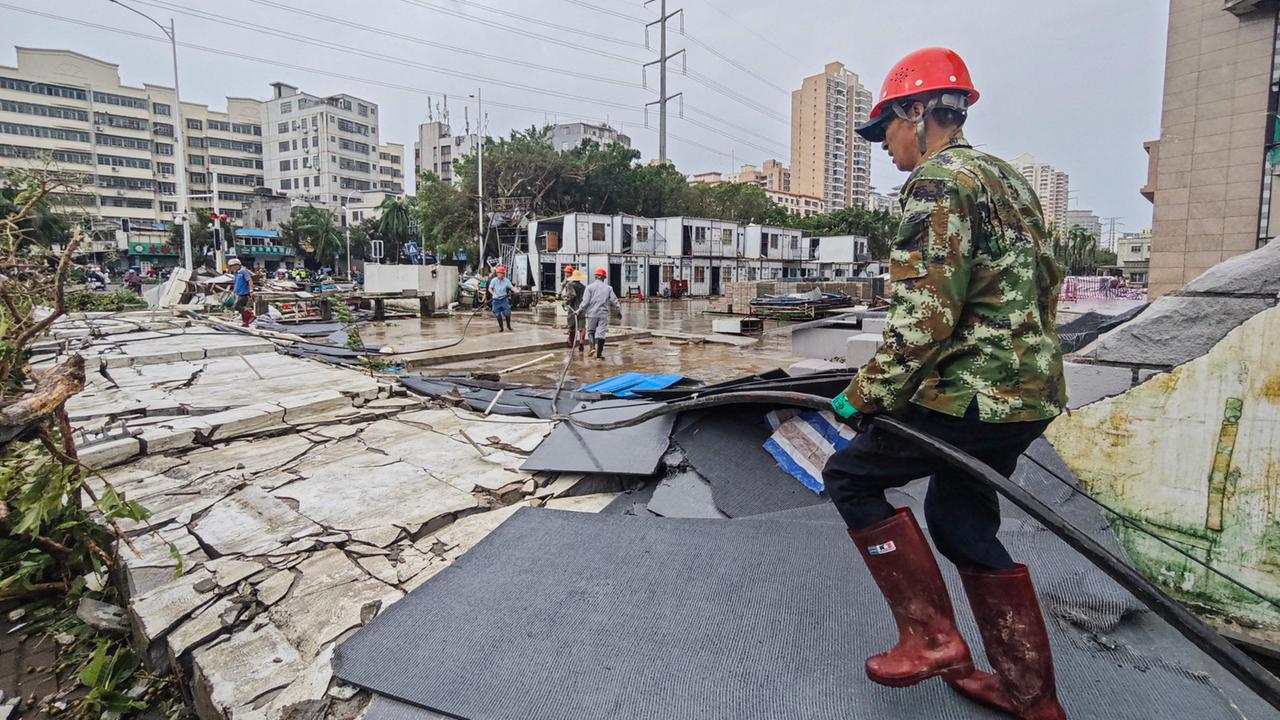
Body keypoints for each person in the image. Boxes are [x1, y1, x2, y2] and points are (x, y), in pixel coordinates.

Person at [820, 48, 1068, 720]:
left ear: (916, 112)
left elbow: (923, 321)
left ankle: (929, 637)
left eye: (889, 132)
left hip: (970, 395)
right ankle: (1030, 695)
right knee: (959, 522)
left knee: (849, 477)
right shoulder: (1008, 181)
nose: (888, 149)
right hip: (1027, 393)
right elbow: (1043, 289)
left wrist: (862, 398)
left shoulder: (936, 183)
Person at [578, 268, 622, 360]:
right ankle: (599, 355)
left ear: (595, 277)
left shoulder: (589, 287)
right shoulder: (609, 288)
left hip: (592, 313)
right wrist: (618, 310)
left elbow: (585, 302)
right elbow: (615, 300)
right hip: (603, 314)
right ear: (604, 278)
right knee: (601, 334)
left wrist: (578, 311)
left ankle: (592, 347)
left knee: (591, 331)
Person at [558, 265, 587, 354]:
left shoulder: (570, 284)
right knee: (582, 327)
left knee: (572, 327)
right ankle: (581, 341)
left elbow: (572, 295)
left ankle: (571, 342)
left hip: (573, 308)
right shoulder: (583, 286)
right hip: (582, 308)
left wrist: (565, 302)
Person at [228, 257, 255, 327]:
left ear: (238, 265)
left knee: (237, 306)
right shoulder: (235, 275)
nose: (233, 267)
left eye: (234, 265)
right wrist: (233, 292)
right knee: (241, 310)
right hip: (239, 293)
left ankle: (251, 315)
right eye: (231, 266)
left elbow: (249, 280)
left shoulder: (243, 272)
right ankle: (245, 322)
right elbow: (236, 284)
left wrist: (251, 290)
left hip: (244, 293)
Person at [488, 265, 514, 332]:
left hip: (504, 299)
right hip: (496, 300)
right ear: (497, 273)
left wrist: (516, 290)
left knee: (507, 313)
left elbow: (511, 287)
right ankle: (501, 328)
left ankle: (508, 326)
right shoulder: (493, 280)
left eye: (503, 273)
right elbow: (489, 288)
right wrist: (494, 294)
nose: (503, 275)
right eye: (501, 273)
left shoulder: (506, 280)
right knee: (497, 314)